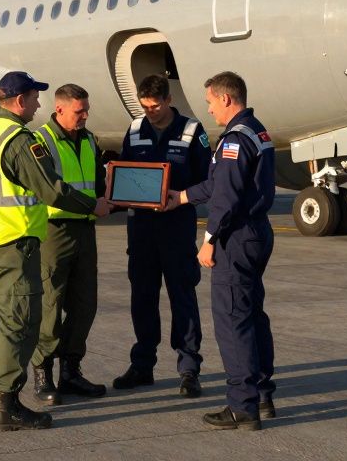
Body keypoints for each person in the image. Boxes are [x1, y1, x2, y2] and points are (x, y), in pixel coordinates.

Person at [0, 71, 113, 431]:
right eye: (34, 98)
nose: (37, 104)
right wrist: (92, 205)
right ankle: (7, 404)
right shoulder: (18, 140)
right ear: (19, 101)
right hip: (13, 242)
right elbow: (51, 190)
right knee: (19, 322)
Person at [166, 71, 276, 431]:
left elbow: (226, 197)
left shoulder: (234, 139)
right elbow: (218, 183)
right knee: (252, 316)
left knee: (233, 321)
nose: (209, 109)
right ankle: (262, 395)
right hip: (256, 233)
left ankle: (242, 406)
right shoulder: (256, 130)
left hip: (236, 237)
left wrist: (209, 240)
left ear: (226, 98)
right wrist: (182, 197)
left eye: (211, 102)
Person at [112, 74, 211, 397]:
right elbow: (125, 171)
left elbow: (207, 181)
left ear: (168, 100)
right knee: (142, 297)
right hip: (141, 229)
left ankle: (189, 368)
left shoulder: (192, 131)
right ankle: (142, 364)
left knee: (183, 297)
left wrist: (181, 197)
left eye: (155, 106)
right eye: (145, 107)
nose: (150, 112)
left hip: (176, 227)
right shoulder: (135, 129)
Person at [29, 84, 109, 405]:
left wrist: (113, 196)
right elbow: (52, 189)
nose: (85, 115)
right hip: (55, 232)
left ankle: (71, 372)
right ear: (59, 109)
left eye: (86, 109)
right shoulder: (41, 141)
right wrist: (93, 205)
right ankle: (43, 372)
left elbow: (99, 182)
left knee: (85, 304)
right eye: (79, 111)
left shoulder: (89, 140)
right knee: (51, 304)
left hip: (85, 231)